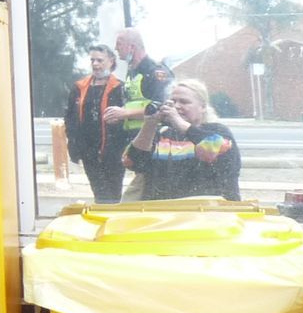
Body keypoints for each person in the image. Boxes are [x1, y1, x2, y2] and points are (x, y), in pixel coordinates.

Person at [124, 76, 242, 200]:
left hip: (208, 212)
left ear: (202, 107)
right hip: (164, 213)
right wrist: (149, 124)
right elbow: (131, 162)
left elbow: (213, 150)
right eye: (173, 102)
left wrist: (180, 123)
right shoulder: (161, 134)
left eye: (184, 102)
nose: (177, 106)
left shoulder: (218, 131)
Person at [105, 27, 172, 199]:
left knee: (134, 197)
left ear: (132, 47)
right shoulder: (132, 71)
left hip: (154, 142)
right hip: (137, 142)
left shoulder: (155, 71)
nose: (115, 48)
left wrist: (124, 114)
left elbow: (162, 106)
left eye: (119, 44)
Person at [63, 43, 126, 203]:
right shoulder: (79, 87)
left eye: (100, 60)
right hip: (88, 150)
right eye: (92, 60)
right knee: (100, 192)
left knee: (113, 192)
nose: (95, 64)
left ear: (111, 61)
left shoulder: (120, 88)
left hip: (113, 150)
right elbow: (70, 119)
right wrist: (73, 146)